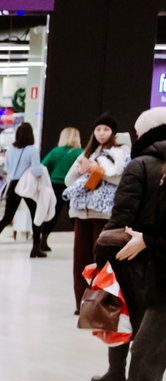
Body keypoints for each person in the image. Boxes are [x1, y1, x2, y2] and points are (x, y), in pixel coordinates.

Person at [89, 106, 166, 381]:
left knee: (145, 347)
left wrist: (107, 252)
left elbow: (122, 214)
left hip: (147, 266)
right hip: (152, 262)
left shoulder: (140, 165)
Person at [69, 114, 130, 327]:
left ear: (113, 132)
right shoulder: (87, 152)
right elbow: (69, 180)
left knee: (102, 260)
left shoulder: (120, 152)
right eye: (98, 129)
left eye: (106, 129)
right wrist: (81, 170)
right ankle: (81, 303)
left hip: (104, 214)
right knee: (80, 260)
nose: (101, 133)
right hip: (82, 212)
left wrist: (99, 172)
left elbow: (121, 179)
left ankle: (102, 303)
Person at [0, 122, 45, 256]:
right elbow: (36, 171)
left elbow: (7, 168)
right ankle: (36, 248)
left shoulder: (10, 150)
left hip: (13, 184)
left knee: (8, 216)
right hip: (27, 185)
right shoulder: (32, 150)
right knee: (36, 215)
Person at [42, 126, 83, 246]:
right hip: (73, 186)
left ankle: (43, 240)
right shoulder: (80, 153)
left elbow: (43, 165)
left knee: (53, 213)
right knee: (74, 214)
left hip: (55, 185)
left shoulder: (55, 151)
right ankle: (80, 240)